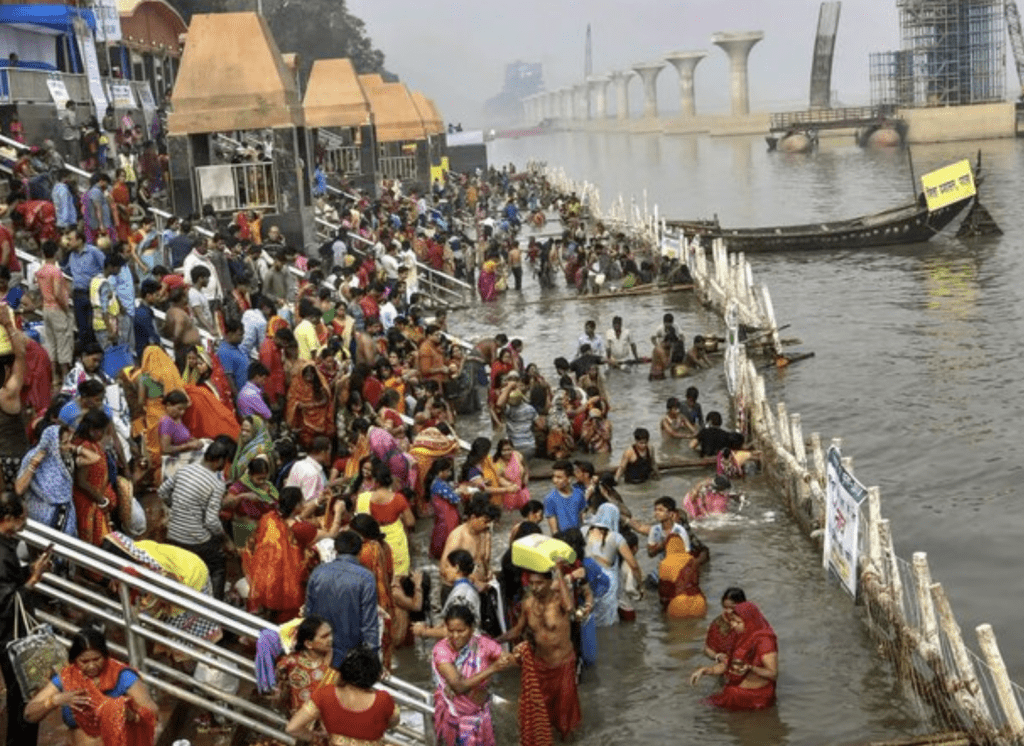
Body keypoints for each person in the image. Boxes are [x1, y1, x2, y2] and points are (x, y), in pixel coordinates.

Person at [25, 627, 157, 745]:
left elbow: (153, 712)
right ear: (74, 660)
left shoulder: (122, 676)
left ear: (105, 656)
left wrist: (131, 714)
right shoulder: (67, 677)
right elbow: (29, 714)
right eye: (84, 661)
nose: (92, 665)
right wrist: (55, 700)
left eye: (96, 659)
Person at [503, 566, 582, 744]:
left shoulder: (559, 601)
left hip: (563, 664)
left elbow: (570, 607)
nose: (535, 587)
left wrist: (559, 570)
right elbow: (517, 630)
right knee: (539, 711)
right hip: (540, 666)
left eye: (539, 583)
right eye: (531, 583)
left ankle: (568, 740)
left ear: (549, 583)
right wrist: (492, 640)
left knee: (564, 715)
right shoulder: (528, 604)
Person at [0, 491, 53, 746]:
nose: (23, 524)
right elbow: (7, 601)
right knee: (22, 692)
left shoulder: (5, 547)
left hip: (9, 632)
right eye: (22, 518)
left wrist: (29, 572)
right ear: (8, 518)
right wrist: (33, 580)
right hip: (8, 636)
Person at [244, 486, 335, 623]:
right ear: (296, 505)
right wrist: (339, 512)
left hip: (268, 576)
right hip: (290, 582)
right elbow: (331, 534)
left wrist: (318, 502)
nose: (305, 503)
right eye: (302, 501)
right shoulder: (301, 528)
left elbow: (296, 516)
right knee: (289, 620)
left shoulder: (269, 518)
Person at [158, 439, 234, 601]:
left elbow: (162, 492)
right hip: (195, 541)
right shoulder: (217, 484)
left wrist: (177, 508)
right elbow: (212, 521)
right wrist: (225, 539)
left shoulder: (184, 470)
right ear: (219, 460)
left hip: (173, 536)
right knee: (218, 565)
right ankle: (216, 609)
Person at [430, 605, 515, 746]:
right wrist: (492, 669)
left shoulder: (482, 644)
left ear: (471, 629)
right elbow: (458, 686)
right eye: (451, 631)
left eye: (461, 631)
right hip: (454, 719)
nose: (455, 636)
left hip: (480, 714)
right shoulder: (442, 651)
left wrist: (518, 656)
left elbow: (507, 659)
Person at [285, 645, 398, 743]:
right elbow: (393, 722)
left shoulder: (324, 695)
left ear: (343, 670)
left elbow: (292, 728)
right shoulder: (384, 700)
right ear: (375, 675)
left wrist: (317, 739)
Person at [305, 531, 379, 668]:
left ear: (336, 550)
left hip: (321, 652)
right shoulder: (366, 577)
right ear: (360, 550)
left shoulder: (318, 572)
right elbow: (369, 624)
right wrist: (372, 658)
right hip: (351, 655)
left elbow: (308, 613)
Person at [689, 601, 778, 710]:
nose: (733, 625)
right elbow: (728, 663)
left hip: (756, 697)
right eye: (732, 621)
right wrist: (705, 671)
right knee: (698, 706)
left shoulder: (765, 640)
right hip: (735, 694)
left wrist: (750, 668)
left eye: (738, 622)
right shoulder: (740, 636)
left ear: (750, 622)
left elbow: (772, 673)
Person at [16, 424, 91, 538]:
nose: (68, 446)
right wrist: (33, 466)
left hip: (65, 515)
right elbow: (19, 489)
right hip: (41, 517)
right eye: (64, 443)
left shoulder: (65, 459)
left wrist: (76, 449)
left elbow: (94, 458)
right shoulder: (32, 457)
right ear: (53, 443)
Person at [584, 503, 641, 627]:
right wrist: (641, 585)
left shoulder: (583, 531)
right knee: (608, 623)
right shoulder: (616, 537)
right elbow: (633, 565)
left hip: (587, 578)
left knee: (589, 616)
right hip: (608, 583)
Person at [355, 461, 415, 576]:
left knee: (379, 573)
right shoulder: (398, 499)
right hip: (395, 540)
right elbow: (411, 522)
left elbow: (361, 521)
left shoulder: (363, 498)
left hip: (374, 541)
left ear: (375, 481)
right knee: (397, 574)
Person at [71, 410, 118, 547]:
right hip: (87, 502)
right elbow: (81, 481)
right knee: (91, 542)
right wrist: (101, 499)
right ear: (93, 430)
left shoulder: (95, 445)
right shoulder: (85, 447)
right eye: (102, 431)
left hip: (96, 500)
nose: (103, 435)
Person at [274, 615, 336, 716]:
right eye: (324, 636)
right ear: (308, 644)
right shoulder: (291, 664)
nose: (330, 639)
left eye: (330, 634)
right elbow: (310, 701)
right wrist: (325, 667)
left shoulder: (336, 657)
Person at [657, 534, 707, 618]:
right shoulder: (692, 559)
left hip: (678, 605)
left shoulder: (664, 563)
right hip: (699, 603)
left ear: (667, 547)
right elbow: (696, 582)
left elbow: (664, 591)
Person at [704, 587, 747, 662]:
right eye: (725, 607)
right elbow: (707, 649)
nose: (728, 611)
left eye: (732, 608)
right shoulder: (717, 624)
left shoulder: (751, 623)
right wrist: (717, 656)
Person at [543, 460, 586, 534]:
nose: (555, 480)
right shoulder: (550, 499)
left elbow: (583, 519)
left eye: (559, 477)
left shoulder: (579, 494)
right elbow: (554, 530)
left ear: (569, 479)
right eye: (554, 477)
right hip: (563, 539)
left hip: (578, 536)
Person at [492, 438, 530, 511]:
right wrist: (510, 486)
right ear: (500, 451)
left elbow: (525, 466)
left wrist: (525, 478)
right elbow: (498, 478)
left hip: (522, 490)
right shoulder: (498, 463)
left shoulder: (517, 455)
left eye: (509, 449)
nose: (507, 452)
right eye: (504, 450)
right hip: (508, 494)